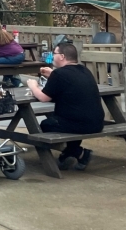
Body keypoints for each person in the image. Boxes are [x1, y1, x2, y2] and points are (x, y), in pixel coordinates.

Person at [26, 41, 105, 171]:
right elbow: (69, 81)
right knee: (63, 120)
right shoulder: (84, 70)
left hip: (80, 124)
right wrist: (52, 74)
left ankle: (78, 152)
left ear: (62, 56)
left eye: (54, 53)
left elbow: (43, 98)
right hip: (97, 122)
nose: (53, 56)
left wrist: (33, 86)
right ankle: (68, 154)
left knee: (45, 125)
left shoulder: (60, 74)